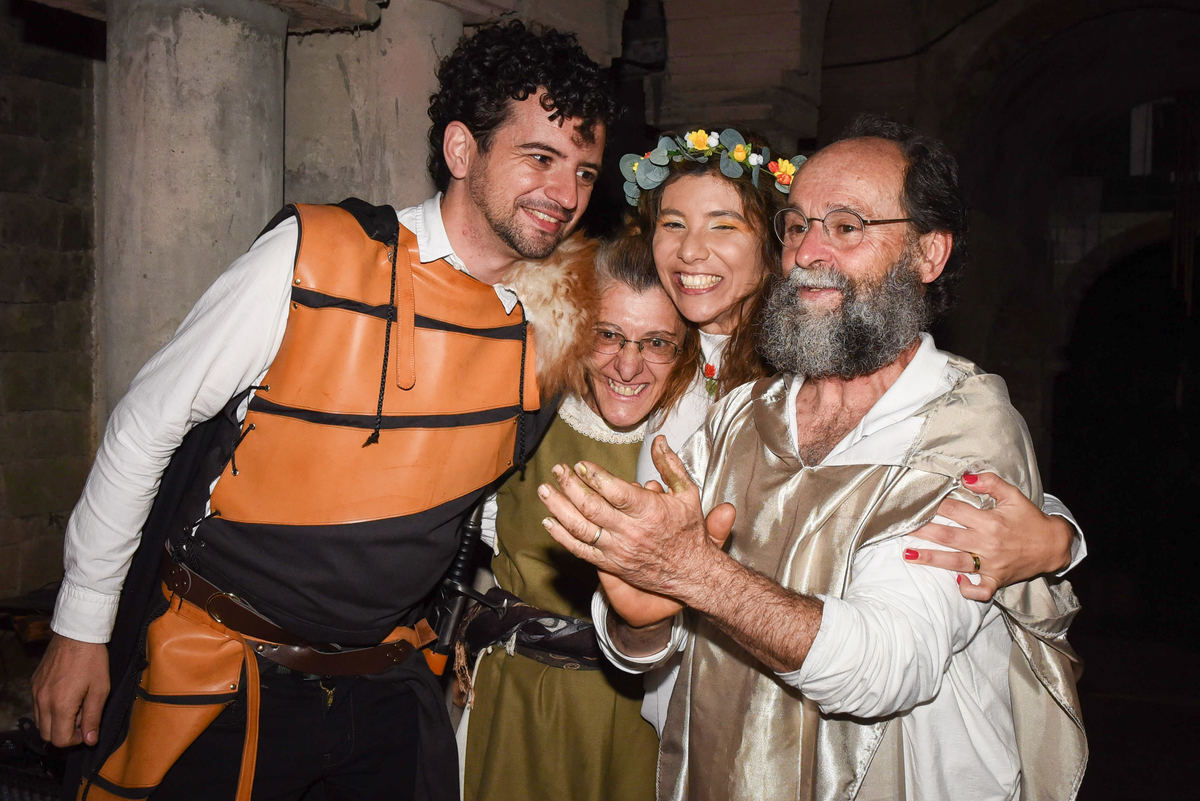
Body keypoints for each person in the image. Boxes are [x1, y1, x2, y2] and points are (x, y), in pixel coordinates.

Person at [31, 21, 617, 801]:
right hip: (222, 681)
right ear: (461, 149)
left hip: (384, 694)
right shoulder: (314, 255)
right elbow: (146, 425)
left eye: (584, 171)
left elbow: (473, 504)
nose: (566, 195)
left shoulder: (547, 334)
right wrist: (81, 627)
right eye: (539, 157)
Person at [540, 116, 1088, 800]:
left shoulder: (965, 428)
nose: (808, 252)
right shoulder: (741, 416)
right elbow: (656, 651)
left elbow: (889, 666)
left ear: (928, 253)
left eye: (848, 226)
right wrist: (638, 619)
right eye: (797, 226)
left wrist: (697, 574)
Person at [460, 239, 699, 801]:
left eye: (656, 342)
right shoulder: (527, 414)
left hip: (636, 718)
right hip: (515, 702)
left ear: (684, 350)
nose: (627, 365)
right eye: (607, 335)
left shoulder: (698, 442)